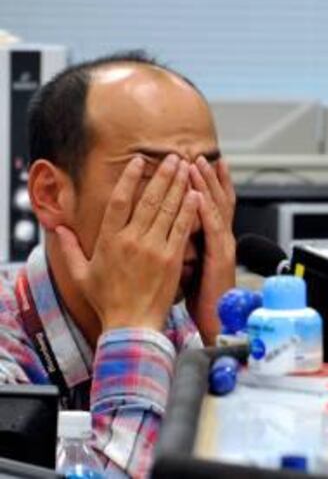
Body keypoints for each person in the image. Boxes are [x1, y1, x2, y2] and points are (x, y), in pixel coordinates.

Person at [0, 51, 236, 477]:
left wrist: (227, 344)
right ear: (50, 194)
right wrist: (133, 329)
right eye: (154, 181)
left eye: (204, 178)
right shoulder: (8, 353)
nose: (191, 211)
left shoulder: (189, 330)